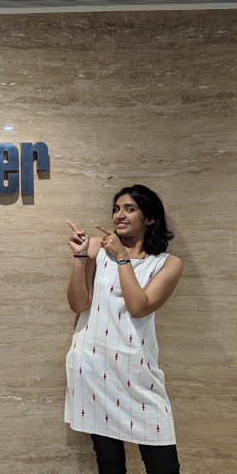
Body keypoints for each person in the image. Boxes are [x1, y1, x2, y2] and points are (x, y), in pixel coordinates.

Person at [64, 185, 183, 474]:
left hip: (138, 371)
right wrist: (80, 258)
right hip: (93, 366)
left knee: (163, 465)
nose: (120, 215)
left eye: (130, 209)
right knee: (110, 464)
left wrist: (122, 257)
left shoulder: (167, 263)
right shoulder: (96, 247)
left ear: (150, 218)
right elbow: (79, 304)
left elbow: (139, 307)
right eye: (116, 209)